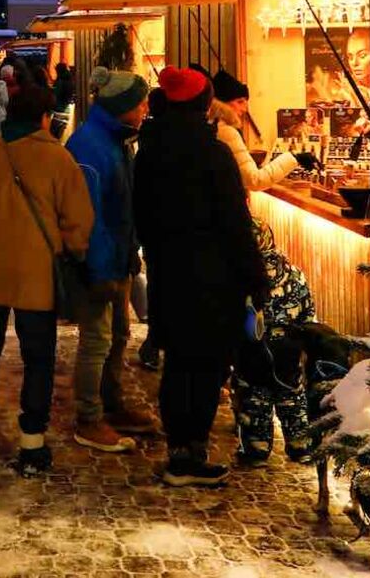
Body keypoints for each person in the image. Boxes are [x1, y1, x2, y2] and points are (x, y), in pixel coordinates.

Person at [134, 68, 269, 487]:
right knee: (209, 364)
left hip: (166, 270)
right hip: (214, 277)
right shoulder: (212, 154)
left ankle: (179, 449)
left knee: (177, 361)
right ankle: (193, 451)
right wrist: (255, 277)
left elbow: (142, 215)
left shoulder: (149, 150)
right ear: (201, 103)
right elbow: (234, 223)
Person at [0, 84, 93, 474]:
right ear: (45, 118)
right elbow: (78, 221)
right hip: (38, 276)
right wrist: (71, 249)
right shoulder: (57, 158)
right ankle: (32, 443)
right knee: (38, 358)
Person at [64, 65, 158, 451]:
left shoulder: (118, 140)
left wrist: (130, 251)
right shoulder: (90, 146)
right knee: (97, 339)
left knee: (118, 334)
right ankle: (88, 418)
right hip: (98, 264)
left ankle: (112, 403)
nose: (146, 109)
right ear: (122, 106)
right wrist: (100, 268)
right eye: (140, 103)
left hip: (117, 258)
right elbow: (89, 216)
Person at [232, 221, 318, 464]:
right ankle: (300, 444)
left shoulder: (239, 275)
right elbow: (308, 313)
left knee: (255, 398)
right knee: (291, 397)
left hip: (253, 348)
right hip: (288, 348)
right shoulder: (294, 273)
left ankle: (256, 449)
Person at [210, 69, 319, 190]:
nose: (245, 109)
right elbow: (255, 180)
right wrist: (295, 158)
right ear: (222, 104)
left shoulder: (211, 128)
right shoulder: (226, 132)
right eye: (239, 102)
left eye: (246, 102)